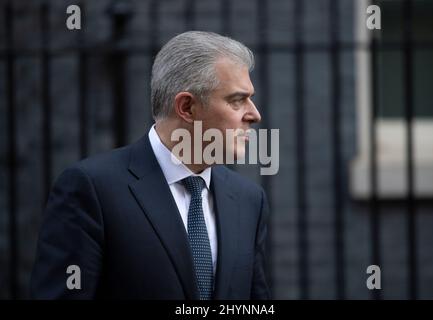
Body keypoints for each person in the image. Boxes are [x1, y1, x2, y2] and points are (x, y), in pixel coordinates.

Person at [30, 31, 271, 299]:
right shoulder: (92, 189)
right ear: (187, 107)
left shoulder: (249, 199)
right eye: (237, 100)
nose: (254, 115)